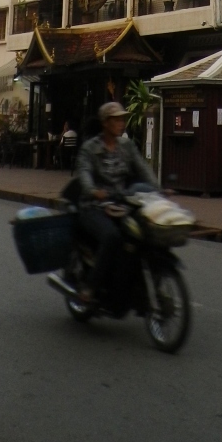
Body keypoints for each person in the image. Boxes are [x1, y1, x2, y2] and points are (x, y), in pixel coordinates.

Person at [75, 101, 158, 303]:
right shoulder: (90, 148)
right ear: (105, 122)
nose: (121, 123)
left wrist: (158, 188)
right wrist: (94, 191)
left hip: (122, 202)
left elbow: (142, 168)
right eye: (116, 120)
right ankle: (91, 286)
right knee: (112, 237)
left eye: (122, 119)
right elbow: (84, 173)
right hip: (94, 206)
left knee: (142, 234)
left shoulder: (127, 146)